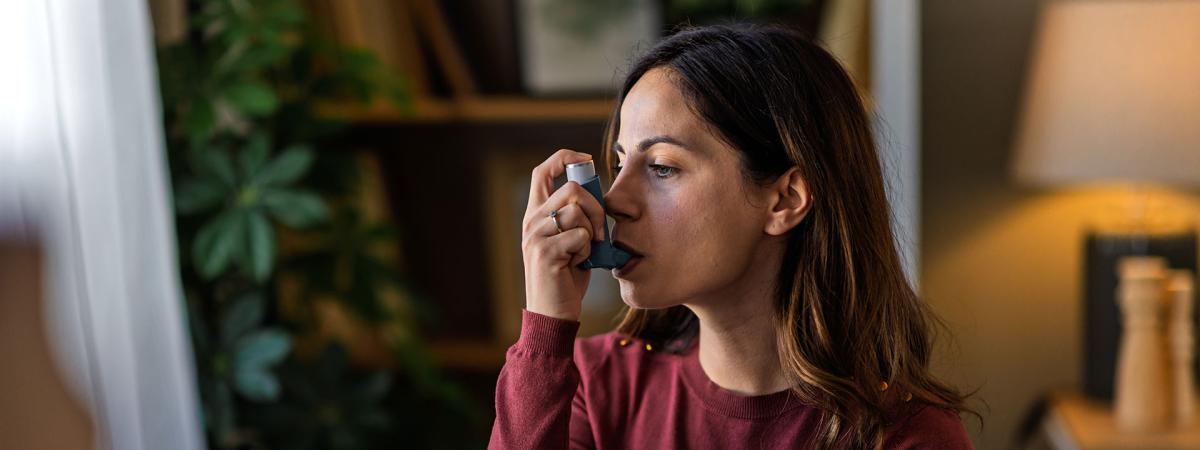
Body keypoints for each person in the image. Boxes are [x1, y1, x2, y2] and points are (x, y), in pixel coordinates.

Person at [490, 24, 975, 449]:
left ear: (785, 200)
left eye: (661, 167)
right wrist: (544, 333)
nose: (615, 200)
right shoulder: (596, 387)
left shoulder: (909, 437)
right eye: (619, 163)